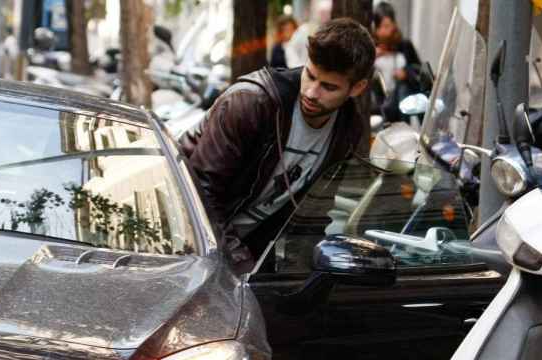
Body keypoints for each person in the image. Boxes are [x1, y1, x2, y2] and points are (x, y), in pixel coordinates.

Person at [180, 18, 375, 273]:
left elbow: (314, 211)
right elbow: (200, 194)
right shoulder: (251, 103)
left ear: (357, 88)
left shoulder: (348, 129)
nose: (311, 93)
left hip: (243, 248)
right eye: (310, 75)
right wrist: (240, 263)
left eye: (328, 87)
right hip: (184, 235)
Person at [373, 1, 421, 123]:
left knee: (403, 87)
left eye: (391, 25)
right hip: (381, 108)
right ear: (376, 29)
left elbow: (419, 71)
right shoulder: (371, 50)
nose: (389, 30)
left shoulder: (404, 46)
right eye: (385, 26)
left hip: (402, 103)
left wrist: (406, 73)